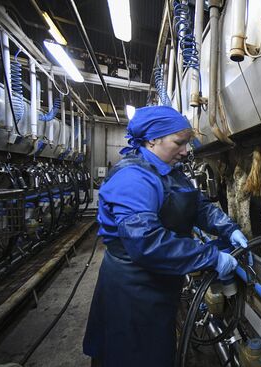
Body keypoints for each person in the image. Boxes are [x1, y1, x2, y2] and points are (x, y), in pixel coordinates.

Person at [83, 106, 248, 367]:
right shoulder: (133, 178)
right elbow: (146, 242)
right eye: (179, 142)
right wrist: (211, 257)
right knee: (130, 356)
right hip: (132, 289)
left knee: (156, 352)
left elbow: (197, 206)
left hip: (160, 283)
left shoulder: (170, 171)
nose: (185, 151)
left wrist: (228, 227)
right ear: (152, 139)